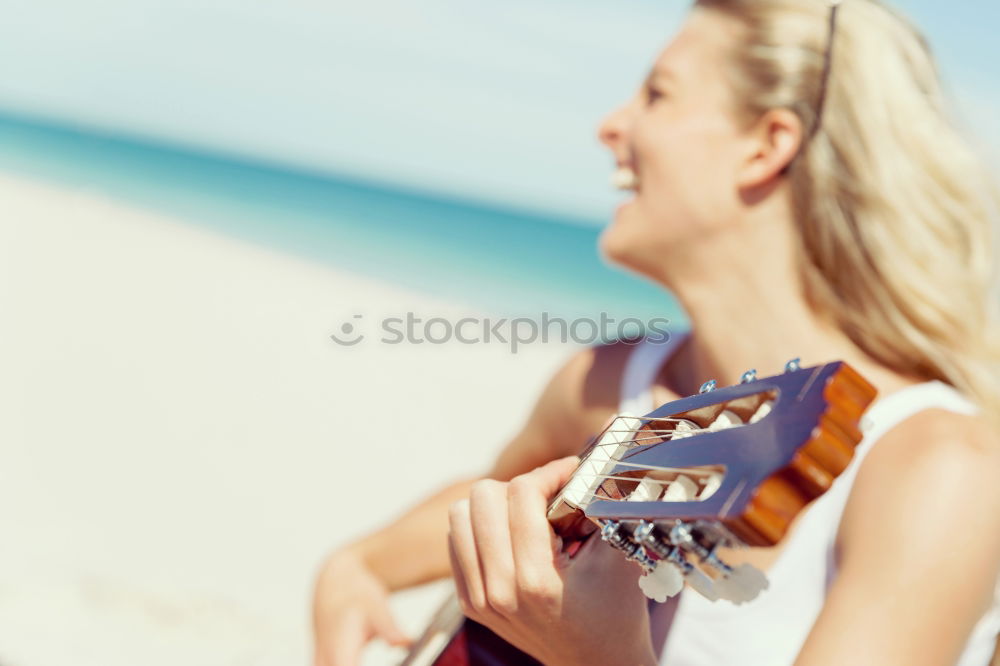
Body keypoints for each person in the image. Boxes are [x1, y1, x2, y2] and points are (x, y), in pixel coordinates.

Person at [312, 0, 1000, 664]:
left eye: (657, 95)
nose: (611, 125)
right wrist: (355, 567)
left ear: (767, 146)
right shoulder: (609, 384)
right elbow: (493, 504)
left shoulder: (939, 466)